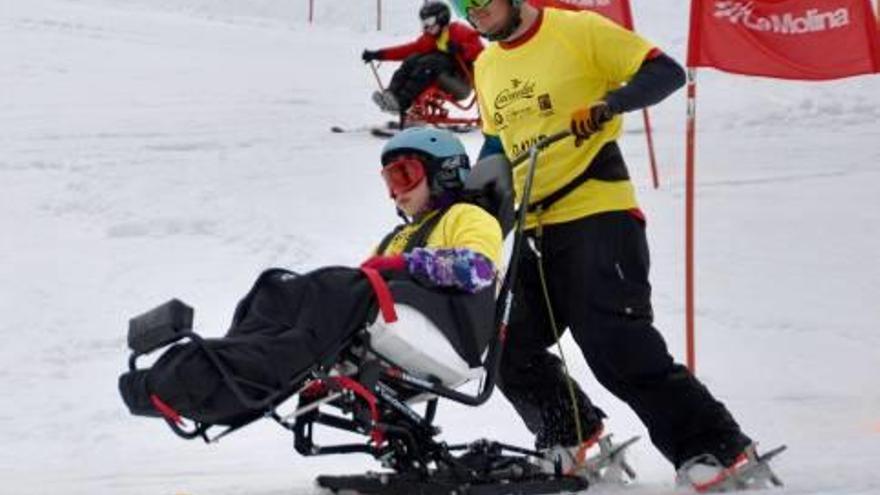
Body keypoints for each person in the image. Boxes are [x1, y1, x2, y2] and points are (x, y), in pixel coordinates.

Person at [448, 0, 756, 489]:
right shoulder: (486, 66)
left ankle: (715, 447)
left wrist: (609, 105)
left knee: (613, 341)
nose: (474, 12)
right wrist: (470, 199)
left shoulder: (579, 31)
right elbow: (497, 145)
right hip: (534, 224)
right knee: (506, 343)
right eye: (461, 5)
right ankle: (571, 433)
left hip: (596, 208)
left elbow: (666, 72)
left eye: (481, 0)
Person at [119, 128, 502, 426]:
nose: (396, 193)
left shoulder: (467, 217)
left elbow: (479, 269)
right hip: (398, 320)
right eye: (390, 181)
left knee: (329, 287)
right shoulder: (397, 235)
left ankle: (208, 377)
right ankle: (218, 364)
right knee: (275, 289)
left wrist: (404, 266)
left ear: (444, 173)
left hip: (450, 334)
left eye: (405, 175)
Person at [362, 1, 483, 115]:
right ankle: (391, 96)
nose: (426, 27)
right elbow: (406, 50)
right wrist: (378, 54)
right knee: (412, 59)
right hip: (440, 75)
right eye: (423, 23)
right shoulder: (430, 38)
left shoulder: (459, 31)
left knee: (430, 61)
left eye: (429, 22)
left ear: (441, 18)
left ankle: (402, 102)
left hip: (461, 84)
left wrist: (462, 48)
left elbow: (481, 52)